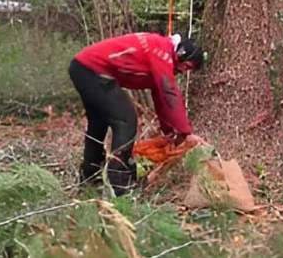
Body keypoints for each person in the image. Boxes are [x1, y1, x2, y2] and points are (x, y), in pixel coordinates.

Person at [69, 31, 204, 195]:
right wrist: (186, 132)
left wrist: (170, 132)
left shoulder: (162, 52)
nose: (183, 71)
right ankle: (119, 183)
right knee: (126, 120)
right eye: (187, 66)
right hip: (92, 70)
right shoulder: (162, 51)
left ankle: (90, 179)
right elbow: (169, 91)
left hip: (83, 68)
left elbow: (160, 96)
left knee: (98, 123)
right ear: (181, 54)